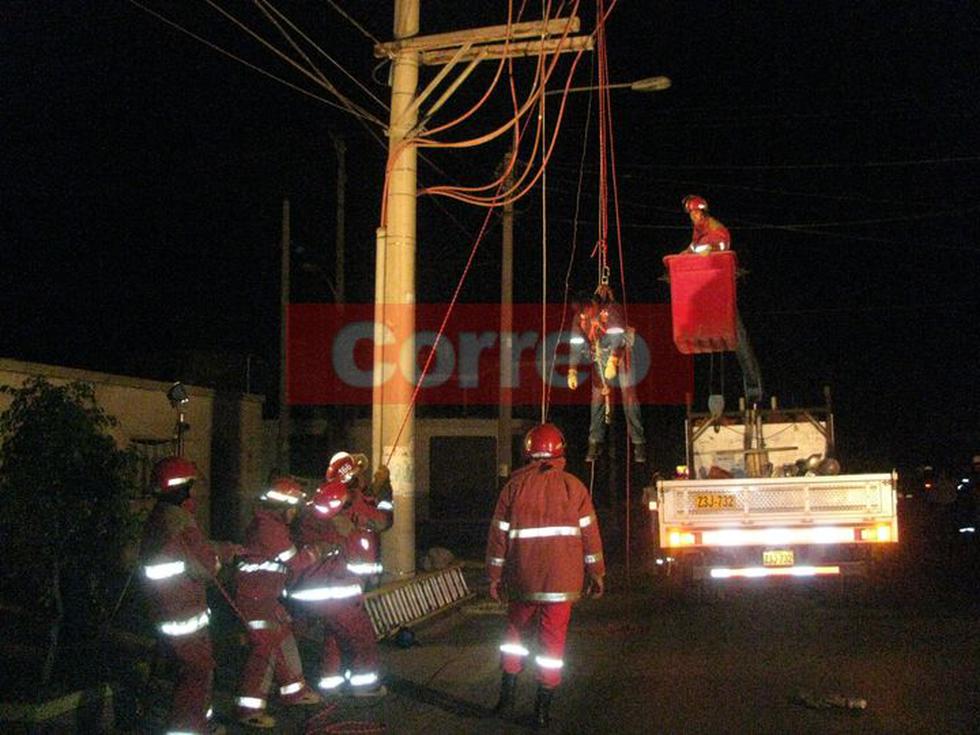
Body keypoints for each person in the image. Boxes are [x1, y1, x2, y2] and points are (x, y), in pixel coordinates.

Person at [486, 423, 605, 730]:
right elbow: (590, 536)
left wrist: (494, 576)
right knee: (552, 644)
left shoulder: (512, 488)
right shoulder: (574, 487)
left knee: (514, 636)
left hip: (522, 581)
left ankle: (505, 700)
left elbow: (498, 538)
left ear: (527, 451)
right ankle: (541, 711)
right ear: (560, 450)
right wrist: (597, 573)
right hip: (562, 584)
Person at [139, 456, 239, 735]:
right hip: (183, 613)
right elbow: (206, 567)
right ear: (183, 488)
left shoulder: (159, 519)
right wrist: (224, 556)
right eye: (192, 485)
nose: (195, 491)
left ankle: (199, 723)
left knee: (182, 674)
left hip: (163, 610)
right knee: (197, 673)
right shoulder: (182, 524)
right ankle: (188, 729)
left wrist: (217, 547)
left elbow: (188, 557)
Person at [233, 477, 325, 729]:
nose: (296, 513)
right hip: (256, 598)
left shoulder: (270, 524)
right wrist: (319, 551)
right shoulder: (269, 528)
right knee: (265, 648)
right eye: (294, 507)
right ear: (284, 506)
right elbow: (294, 561)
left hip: (265, 595)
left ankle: (294, 691)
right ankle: (248, 709)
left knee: (284, 636)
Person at [287, 479, 387, 698]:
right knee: (363, 638)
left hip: (310, 596)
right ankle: (365, 685)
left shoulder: (306, 519)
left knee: (334, 634)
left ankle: (329, 681)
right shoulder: (338, 527)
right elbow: (360, 549)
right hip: (336, 595)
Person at [567, 286, 646, 463]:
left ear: (592, 305)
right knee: (597, 398)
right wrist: (572, 369)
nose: (585, 315)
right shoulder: (580, 318)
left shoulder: (611, 310)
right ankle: (595, 442)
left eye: (586, 311)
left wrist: (613, 360)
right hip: (599, 355)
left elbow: (618, 338)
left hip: (621, 354)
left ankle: (638, 443)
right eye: (581, 313)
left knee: (629, 397)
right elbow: (576, 343)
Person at [326, 451, 394, 588]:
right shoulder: (354, 502)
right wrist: (384, 487)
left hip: (339, 577)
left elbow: (366, 500)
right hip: (359, 581)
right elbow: (383, 521)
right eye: (359, 473)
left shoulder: (333, 498)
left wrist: (377, 487)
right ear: (352, 478)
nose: (363, 476)